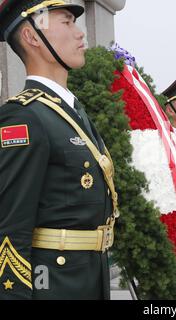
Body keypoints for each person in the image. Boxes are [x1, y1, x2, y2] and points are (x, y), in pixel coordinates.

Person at [0, 0, 118, 299]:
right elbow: (10, 229)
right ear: (32, 37)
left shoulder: (71, 112)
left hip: (88, 277)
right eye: (66, 22)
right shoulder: (24, 117)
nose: (80, 34)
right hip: (53, 284)